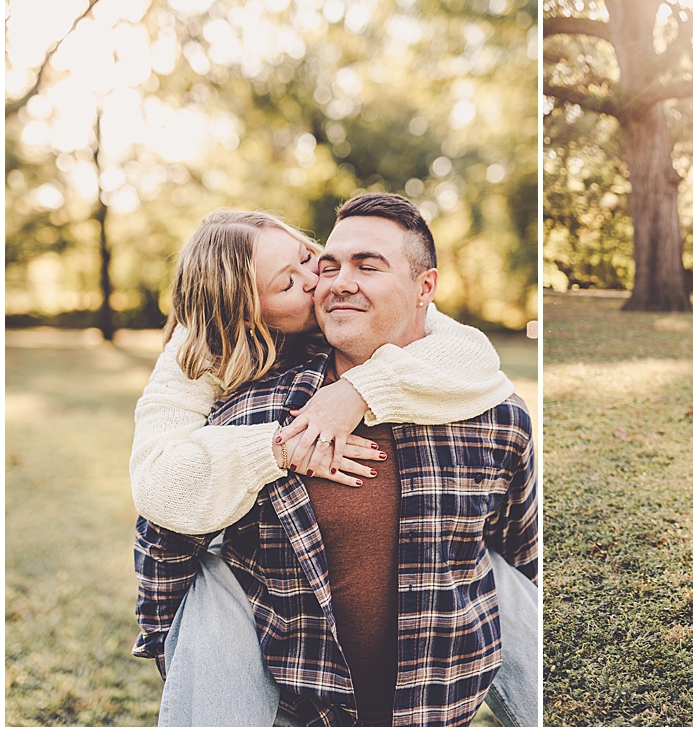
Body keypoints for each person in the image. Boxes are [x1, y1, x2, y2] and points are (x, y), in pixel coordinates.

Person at [130, 200, 537, 726]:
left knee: (504, 577)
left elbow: (521, 543)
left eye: (312, 260)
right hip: (296, 694)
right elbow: (161, 510)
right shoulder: (221, 383)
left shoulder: (491, 410)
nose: (325, 283)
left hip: (436, 697)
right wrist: (281, 447)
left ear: (425, 287)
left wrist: (356, 393)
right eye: (292, 281)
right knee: (215, 579)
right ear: (247, 312)